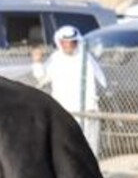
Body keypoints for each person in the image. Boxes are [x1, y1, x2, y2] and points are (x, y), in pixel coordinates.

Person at [32, 25, 107, 155]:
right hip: (64, 111)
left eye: (72, 42)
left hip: (87, 111)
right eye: (65, 42)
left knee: (89, 146)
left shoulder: (85, 58)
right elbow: (42, 78)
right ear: (60, 43)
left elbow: (101, 81)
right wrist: (37, 62)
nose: (69, 45)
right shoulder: (56, 59)